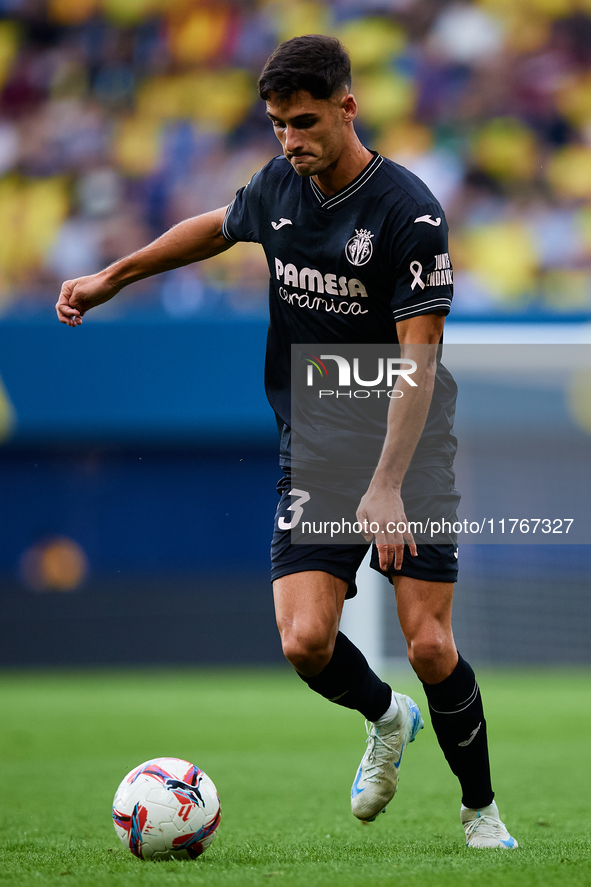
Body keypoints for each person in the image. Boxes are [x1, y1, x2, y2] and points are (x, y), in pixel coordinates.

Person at [56, 35, 517, 850]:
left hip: (409, 449)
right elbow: (214, 227)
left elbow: (419, 362)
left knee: (429, 645)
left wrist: (385, 485)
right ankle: (385, 717)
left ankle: (481, 812)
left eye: (304, 123)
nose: (290, 141)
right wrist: (112, 276)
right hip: (316, 443)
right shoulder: (279, 182)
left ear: (348, 107)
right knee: (304, 641)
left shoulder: (407, 213)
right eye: (275, 125)